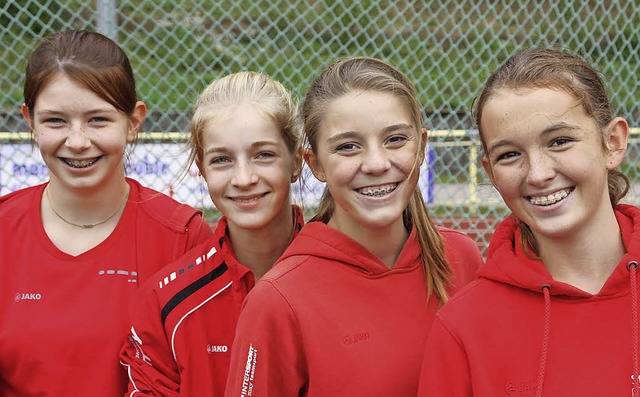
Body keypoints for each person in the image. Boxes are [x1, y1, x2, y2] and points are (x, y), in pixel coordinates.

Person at [223, 56, 484, 397]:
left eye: (395, 139)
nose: (376, 163)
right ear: (315, 164)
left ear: (421, 146)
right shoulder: (278, 300)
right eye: (348, 147)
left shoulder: (461, 258)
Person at [0, 30, 213, 396]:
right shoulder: (5, 229)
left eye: (98, 119)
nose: (78, 140)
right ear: (30, 121)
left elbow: (202, 377)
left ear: (133, 122)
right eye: (55, 121)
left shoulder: (182, 238)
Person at [417, 47, 639, 397]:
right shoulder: (464, 326)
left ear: (612, 143)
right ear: (489, 171)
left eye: (560, 141)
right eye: (510, 155)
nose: (537, 174)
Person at [119, 71, 304, 396]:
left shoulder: (342, 277)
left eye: (263, 155)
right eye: (222, 160)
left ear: (297, 162)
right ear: (202, 170)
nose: (244, 178)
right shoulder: (166, 303)